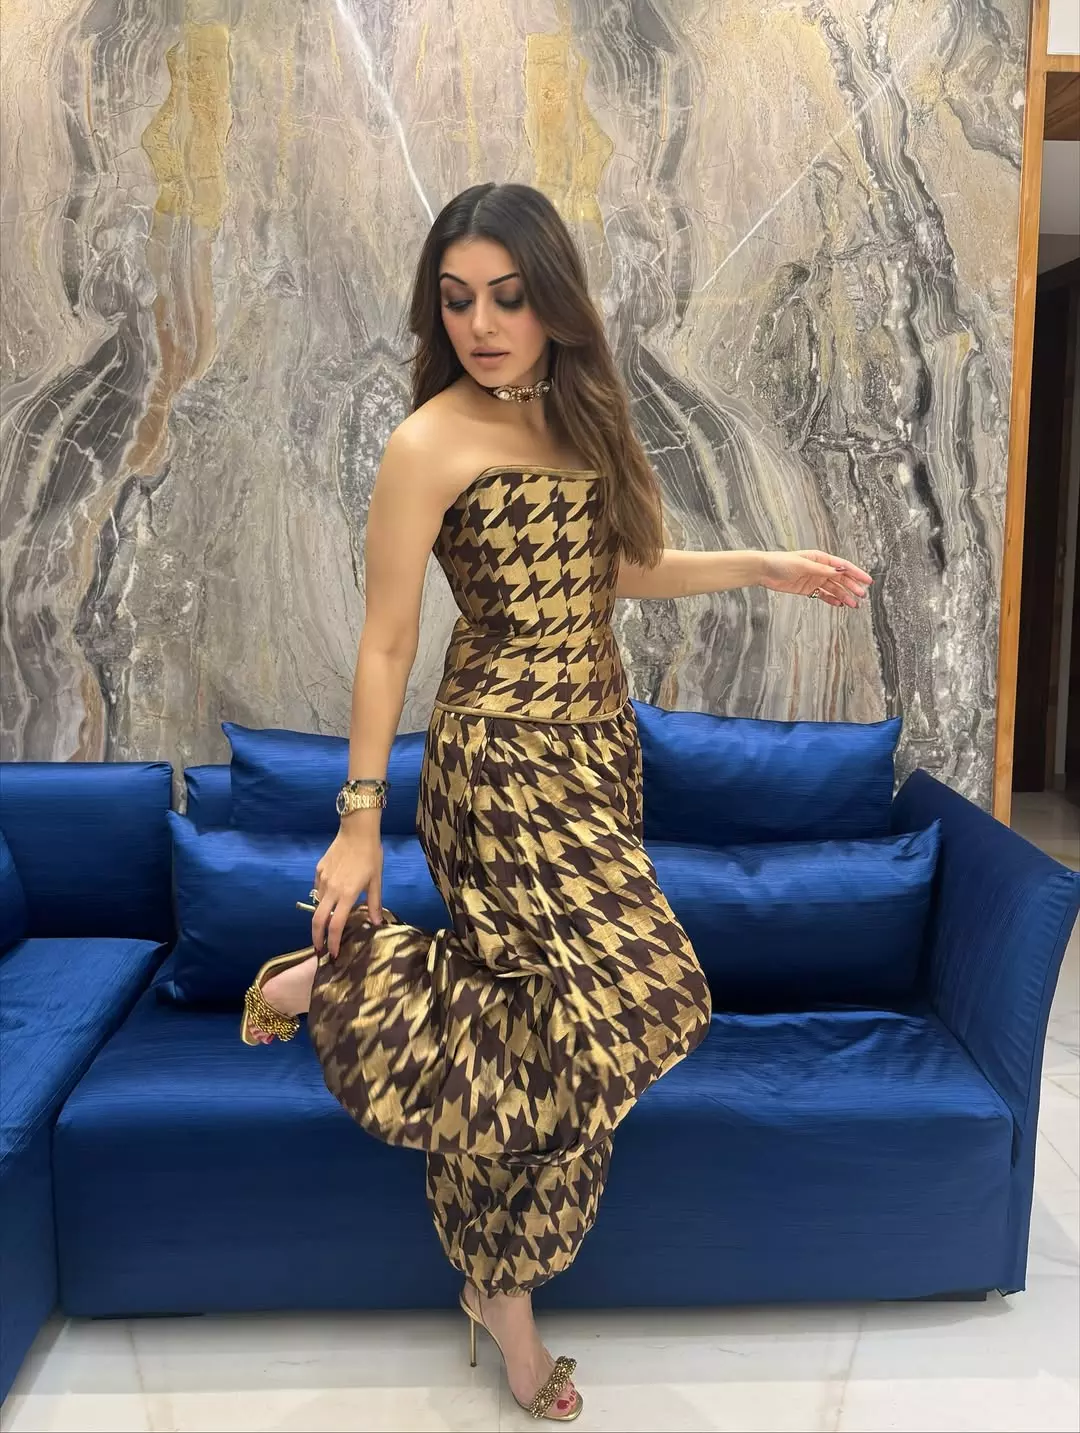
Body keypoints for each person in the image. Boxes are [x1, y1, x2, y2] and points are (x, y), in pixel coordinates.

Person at [239, 181, 873, 1421]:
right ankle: (499, 1281)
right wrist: (358, 821)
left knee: (576, 1031)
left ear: (555, 302)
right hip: (495, 764)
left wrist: (764, 564)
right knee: (643, 993)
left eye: (508, 298)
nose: (481, 325)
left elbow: (619, 568)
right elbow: (386, 642)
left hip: (596, 758)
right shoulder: (428, 442)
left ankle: (490, 1268)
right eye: (457, 300)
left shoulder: (586, 417)